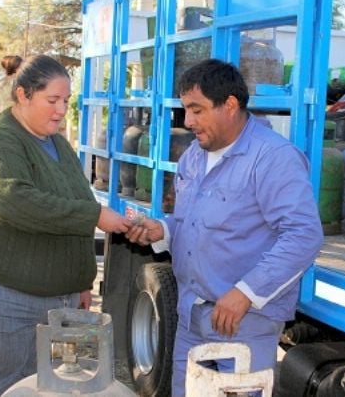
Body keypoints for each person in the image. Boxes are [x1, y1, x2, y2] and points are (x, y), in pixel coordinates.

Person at [125, 59, 323, 397]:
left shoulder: (273, 158)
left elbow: (303, 235)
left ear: (230, 105)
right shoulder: (194, 155)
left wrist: (245, 293)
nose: (188, 122)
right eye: (186, 110)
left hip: (242, 322)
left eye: (197, 110)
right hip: (191, 315)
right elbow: (192, 221)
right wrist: (164, 230)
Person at [0, 54, 131, 395]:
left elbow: (76, 199)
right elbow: (13, 201)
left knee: (41, 388)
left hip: (52, 300)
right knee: (10, 387)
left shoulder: (56, 142)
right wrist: (96, 217)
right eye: (52, 100)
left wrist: (79, 281)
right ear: (23, 95)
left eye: (66, 101)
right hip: (5, 299)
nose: (61, 110)